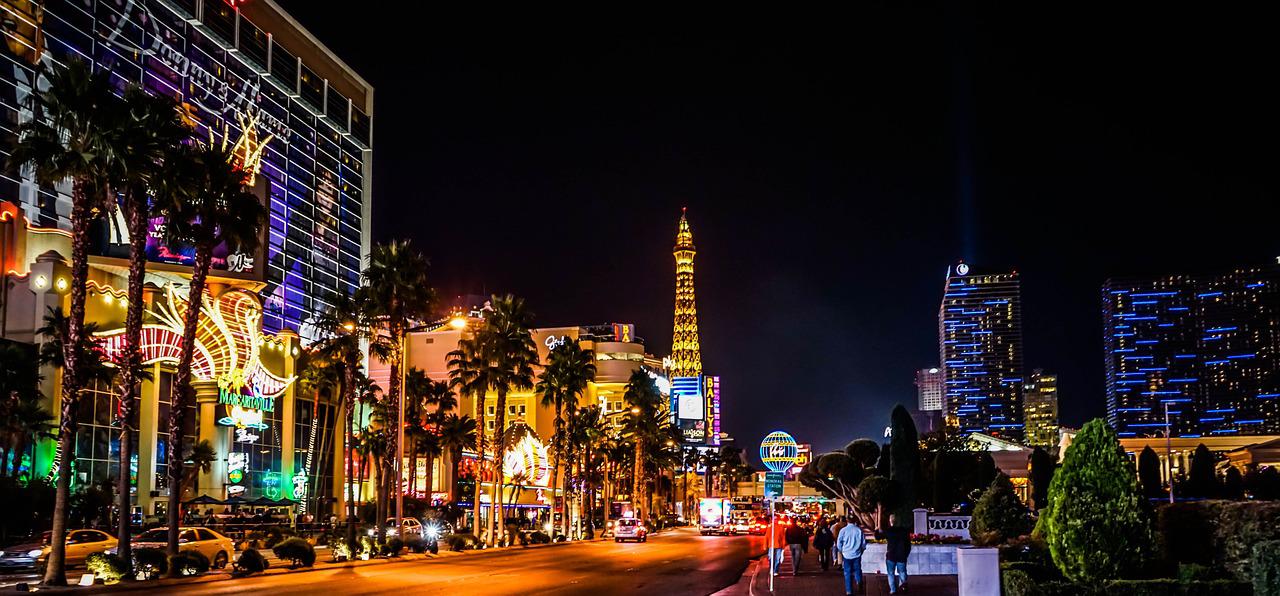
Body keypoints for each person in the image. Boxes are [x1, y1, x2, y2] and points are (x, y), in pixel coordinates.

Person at [835, 516, 866, 595]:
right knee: (857, 570)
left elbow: (839, 543)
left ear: (847, 521)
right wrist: (861, 551)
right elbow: (863, 543)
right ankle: (859, 583)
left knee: (847, 572)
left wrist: (842, 550)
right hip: (857, 554)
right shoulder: (859, 530)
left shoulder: (843, 530)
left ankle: (849, 591)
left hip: (846, 554)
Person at [884, 515, 911, 594]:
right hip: (901, 555)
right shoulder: (904, 531)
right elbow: (908, 545)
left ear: (891, 521)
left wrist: (876, 530)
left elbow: (878, 536)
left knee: (890, 573)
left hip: (891, 555)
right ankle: (903, 584)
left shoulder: (889, 531)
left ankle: (893, 590)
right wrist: (906, 554)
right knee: (902, 572)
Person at [767, 513, 788, 577]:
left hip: (778, 545)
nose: (775, 520)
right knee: (772, 558)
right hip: (772, 545)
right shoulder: (770, 527)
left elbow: (783, 537)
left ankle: (775, 570)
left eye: (776, 519)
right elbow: (767, 536)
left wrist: (783, 545)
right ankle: (773, 569)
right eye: (774, 519)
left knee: (776, 558)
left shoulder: (780, 527)